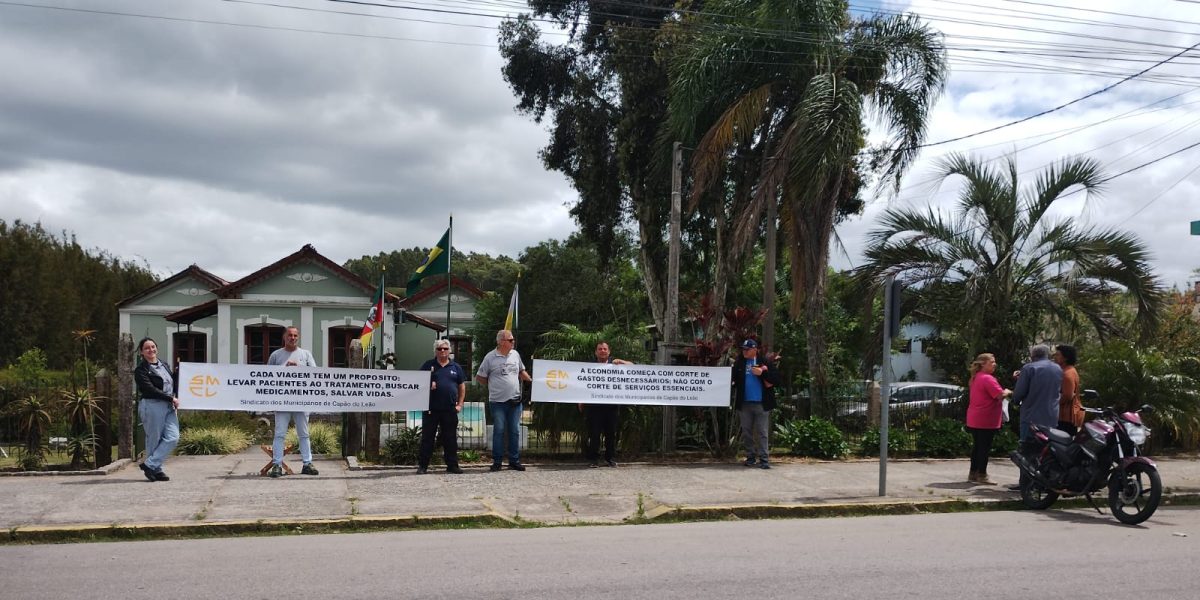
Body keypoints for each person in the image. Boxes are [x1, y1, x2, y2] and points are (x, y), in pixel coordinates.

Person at [476, 329, 532, 472]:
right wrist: (493, 384)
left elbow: (521, 371)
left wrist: (531, 380)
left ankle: (514, 461)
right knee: (499, 430)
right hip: (497, 401)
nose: (513, 342)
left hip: (515, 400)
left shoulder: (515, 355)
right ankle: (497, 461)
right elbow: (480, 377)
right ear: (501, 342)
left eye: (513, 340)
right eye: (510, 340)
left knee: (514, 431)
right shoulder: (490, 357)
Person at [1010, 343, 1063, 490]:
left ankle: (1026, 483)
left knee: (1027, 450)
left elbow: (1019, 393)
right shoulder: (1057, 369)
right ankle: (1043, 482)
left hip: (1031, 415)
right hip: (1051, 416)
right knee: (1045, 451)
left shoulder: (1029, 368)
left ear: (1033, 355)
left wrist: (1014, 397)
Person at [268, 326, 319, 478]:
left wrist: (299, 368)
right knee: (279, 434)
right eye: (290, 335)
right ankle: (277, 465)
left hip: (301, 400)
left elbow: (315, 374)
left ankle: (307, 463)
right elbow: (266, 376)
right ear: (284, 337)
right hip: (282, 400)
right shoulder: (276, 355)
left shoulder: (305, 354)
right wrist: (285, 368)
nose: (293, 338)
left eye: (295, 335)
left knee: (304, 434)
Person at [133, 337, 180, 482]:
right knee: (154, 438)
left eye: (153, 347)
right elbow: (149, 389)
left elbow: (171, 383)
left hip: (168, 405)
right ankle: (156, 470)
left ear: (156, 348)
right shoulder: (141, 370)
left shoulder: (164, 364)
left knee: (173, 437)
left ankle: (150, 464)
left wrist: (178, 373)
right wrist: (170, 398)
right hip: (152, 405)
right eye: (147, 348)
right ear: (141, 352)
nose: (151, 350)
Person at [417, 339, 466, 474]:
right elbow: (417, 383)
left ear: (449, 350)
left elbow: (461, 386)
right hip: (430, 408)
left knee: (450, 438)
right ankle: (423, 466)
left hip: (449, 409)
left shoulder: (456, 367)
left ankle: (452, 465)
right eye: (439, 349)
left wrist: (460, 404)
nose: (442, 351)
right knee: (427, 438)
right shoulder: (428, 365)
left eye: (445, 349)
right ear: (435, 351)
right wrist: (428, 385)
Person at [579, 341, 632, 468]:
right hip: (594, 406)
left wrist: (622, 362)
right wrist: (580, 400)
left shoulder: (615, 364)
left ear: (609, 351)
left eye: (604, 349)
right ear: (596, 352)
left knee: (611, 434)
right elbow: (582, 383)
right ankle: (594, 460)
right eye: (600, 349)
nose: (602, 351)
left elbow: (632, 367)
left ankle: (610, 459)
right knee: (594, 434)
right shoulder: (589, 366)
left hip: (611, 406)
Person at [732, 339, 781, 469]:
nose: (744, 351)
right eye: (743, 349)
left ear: (755, 350)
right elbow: (733, 378)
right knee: (747, 432)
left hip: (761, 403)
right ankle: (751, 457)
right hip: (745, 404)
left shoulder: (765, 362)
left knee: (762, 432)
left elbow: (776, 379)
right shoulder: (740, 363)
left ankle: (764, 460)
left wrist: (763, 373)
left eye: (747, 349)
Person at [965, 353, 1011, 485]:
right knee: (984, 447)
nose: (994, 364)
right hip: (986, 418)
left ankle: (973, 473)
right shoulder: (988, 379)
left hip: (975, 417)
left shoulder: (976, 377)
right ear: (983, 364)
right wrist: (1008, 391)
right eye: (992, 362)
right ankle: (982, 474)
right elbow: (999, 395)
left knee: (977, 447)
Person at [1054, 344, 1084, 436]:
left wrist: (1052, 403)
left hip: (1066, 416)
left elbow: (1068, 395)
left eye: (1058, 355)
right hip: (1065, 415)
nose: (1055, 357)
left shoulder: (1068, 374)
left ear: (1065, 358)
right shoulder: (1067, 370)